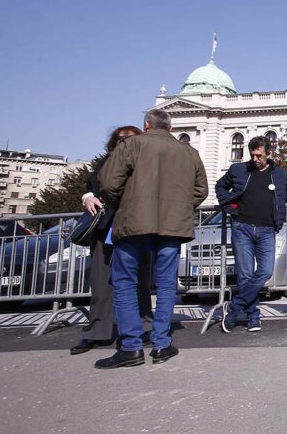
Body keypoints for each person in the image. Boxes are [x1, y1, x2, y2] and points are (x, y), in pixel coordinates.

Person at [95, 109, 208, 368]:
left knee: (125, 283)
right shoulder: (189, 152)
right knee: (167, 285)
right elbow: (201, 190)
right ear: (170, 127)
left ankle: (132, 347)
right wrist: (180, 207)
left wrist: (125, 204)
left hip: (134, 223)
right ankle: (161, 344)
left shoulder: (132, 144)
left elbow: (109, 183)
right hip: (172, 227)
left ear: (146, 125)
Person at [70, 126, 153, 355]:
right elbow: (92, 184)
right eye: (120, 139)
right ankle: (97, 331)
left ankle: (144, 327)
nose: (125, 143)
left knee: (139, 280)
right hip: (105, 226)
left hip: (136, 226)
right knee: (100, 281)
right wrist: (88, 196)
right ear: (114, 142)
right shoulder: (107, 160)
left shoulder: (146, 163)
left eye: (130, 139)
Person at [215, 135, 287, 333]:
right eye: (252, 155)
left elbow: (282, 195)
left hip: (266, 229)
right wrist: (230, 208)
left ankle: (233, 306)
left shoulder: (279, 173)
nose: (255, 159)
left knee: (265, 271)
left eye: (260, 156)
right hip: (243, 227)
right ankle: (253, 316)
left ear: (269, 153)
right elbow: (220, 186)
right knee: (245, 275)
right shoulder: (238, 170)